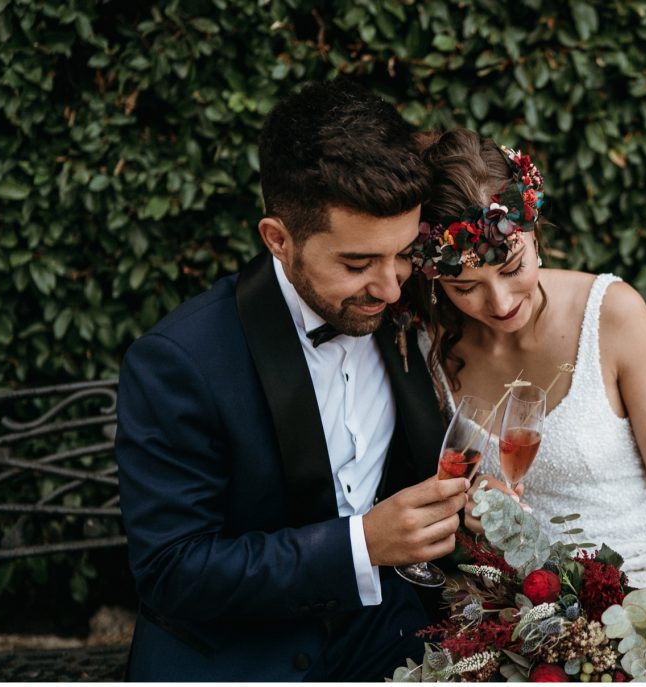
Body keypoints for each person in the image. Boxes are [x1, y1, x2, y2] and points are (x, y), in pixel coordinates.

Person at [115, 80, 466, 681]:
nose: (391, 287)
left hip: (396, 637)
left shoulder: (411, 302)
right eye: (357, 264)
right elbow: (173, 570)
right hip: (243, 654)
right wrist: (363, 545)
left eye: (404, 252)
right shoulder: (179, 361)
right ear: (278, 239)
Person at [405, 128, 646, 677]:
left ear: (533, 231)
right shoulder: (430, 344)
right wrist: (471, 509)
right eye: (466, 288)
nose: (499, 301)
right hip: (514, 614)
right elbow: (441, 487)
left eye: (511, 267)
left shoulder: (613, 315)